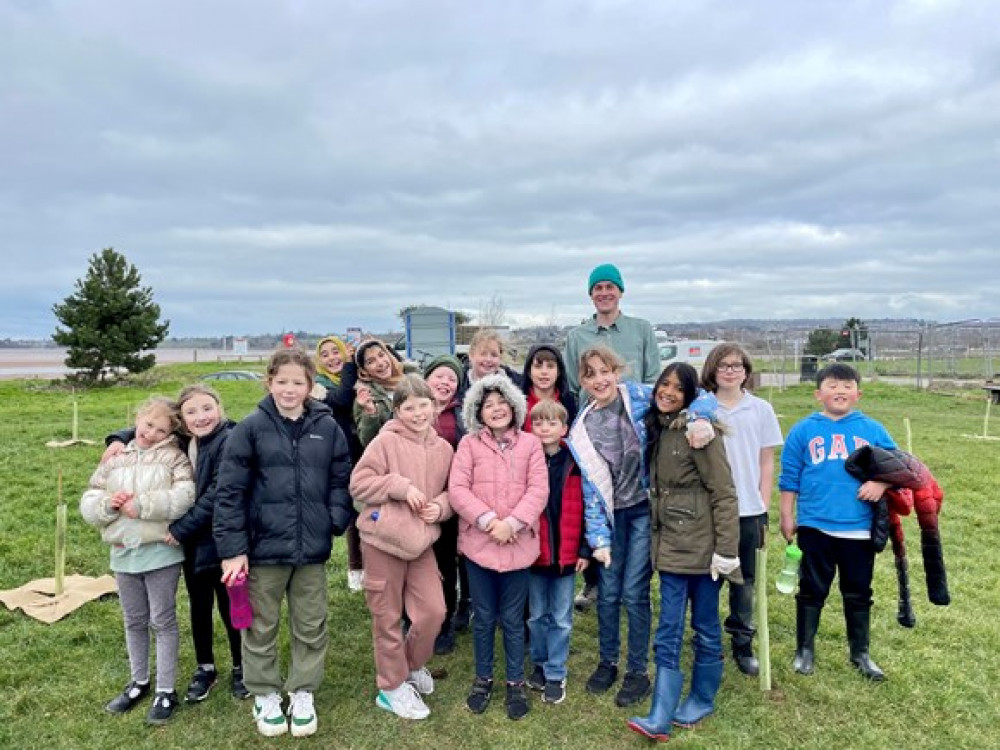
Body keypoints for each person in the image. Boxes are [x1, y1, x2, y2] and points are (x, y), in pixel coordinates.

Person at [214, 347, 354, 737]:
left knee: (310, 623)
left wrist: (334, 520)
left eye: (298, 382)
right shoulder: (250, 429)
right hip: (262, 550)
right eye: (282, 381)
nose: (289, 389)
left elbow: (341, 479)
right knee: (260, 624)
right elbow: (229, 494)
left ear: (310, 385)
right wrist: (232, 549)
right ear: (269, 382)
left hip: (310, 549)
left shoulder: (327, 428)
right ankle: (265, 692)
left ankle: (303, 689)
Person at [567, 346, 716, 709]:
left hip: (644, 511)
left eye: (605, 371)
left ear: (617, 371)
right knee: (608, 591)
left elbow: (704, 397)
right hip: (613, 515)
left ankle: (637, 671)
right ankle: (608, 661)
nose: (599, 379)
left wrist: (699, 418)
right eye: (590, 374)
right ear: (582, 380)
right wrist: (598, 537)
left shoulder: (638, 395)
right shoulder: (582, 427)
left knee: (634, 592)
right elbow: (590, 488)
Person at [101, 385, 249, 702]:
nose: (201, 416)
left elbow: (216, 492)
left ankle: (241, 666)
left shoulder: (231, 439)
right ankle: (205, 667)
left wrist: (182, 528)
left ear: (220, 408)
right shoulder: (183, 441)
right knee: (198, 605)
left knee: (228, 603)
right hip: (194, 544)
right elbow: (151, 426)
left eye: (207, 408)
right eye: (191, 412)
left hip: (223, 537)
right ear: (182, 421)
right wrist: (117, 438)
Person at [627, 364, 741, 742]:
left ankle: (702, 697)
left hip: (704, 549)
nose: (668, 392)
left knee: (706, 625)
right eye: (664, 384)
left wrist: (726, 550)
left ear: (690, 394)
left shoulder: (699, 434)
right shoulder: (659, 427)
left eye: (678, 388)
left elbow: (723, 493)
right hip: (672, 547)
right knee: (669, 627)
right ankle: (661, 711)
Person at [80, 396, 195, 726]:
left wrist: (142, 506)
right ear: (137, 420)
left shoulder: (176, 459)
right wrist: (107, 505)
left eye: (161, 430)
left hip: (160, 551)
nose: (151, 433)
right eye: (147, 425)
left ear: (171, 432)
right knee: (133, 620)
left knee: (162, 620)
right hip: (122, 552)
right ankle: (139, 681)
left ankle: (165, 689)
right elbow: (90, 496)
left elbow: (184, 497)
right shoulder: (116, 458)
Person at [779, 363, 895, 682]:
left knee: (857, 591)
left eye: (847, 386)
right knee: (811, 588)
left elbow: (901, 468)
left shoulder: (872, 430)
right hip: (815, 525)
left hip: (858, 527)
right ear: (819, 393)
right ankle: (804, 650)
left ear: (858, 393)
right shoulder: (803, 430)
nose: (839, 391)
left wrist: (881, 484)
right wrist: (787, 515)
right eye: (832, 385)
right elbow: (789, 476)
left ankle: (860, 653)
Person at [349, 374, 454, 720]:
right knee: (387, 616)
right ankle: (391, 687)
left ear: (435, 407)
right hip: (382, 542)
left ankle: (410, 665)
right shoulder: (384, 442)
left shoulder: (444, 449)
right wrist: (397, 485)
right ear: (397, 411)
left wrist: (441, 506)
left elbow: (452, 492)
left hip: (421, 543)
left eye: (424, 405)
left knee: (433, 612)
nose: (418, 413)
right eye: (409, 407)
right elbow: (359, 484)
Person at [449, 372, 548, 720]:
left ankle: (515, 682)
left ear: (514, 406)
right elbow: (458, 489)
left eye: (501, 402)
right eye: (487, 404)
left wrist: (513, 524)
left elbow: (538, 490)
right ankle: (483, 677)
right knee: (484, 617)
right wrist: (489, 521)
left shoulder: (531, 445)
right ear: (478, 412)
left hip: (518, 545)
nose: (496, 409)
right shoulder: (469, 445)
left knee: (513, 618)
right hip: (480, 545)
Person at [563, 263, 659, 611]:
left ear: (620, 291)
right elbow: (574, 388)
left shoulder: (641, 330)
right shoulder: (577, 337)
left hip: (633, 430)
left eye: (610, 287)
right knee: (597, 501)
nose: (604, 292)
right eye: (598, 287)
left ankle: (637, 582)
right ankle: (596, 582)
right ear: (590, 294)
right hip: (596, 433)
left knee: (635, 505)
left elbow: (653, 380)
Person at [701, 344, 783, 676]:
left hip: (749, 509)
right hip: (710, 510)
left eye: (737, 365)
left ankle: (741, 642)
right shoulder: (702, 408)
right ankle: (705, 638)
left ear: (746, 370)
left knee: (744, 581)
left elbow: (766, 460)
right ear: (712, 370)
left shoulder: (760, 409)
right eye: (723, 365)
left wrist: (763, 502)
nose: (731, 371)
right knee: (707, 577)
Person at [525, 399, 588, 706]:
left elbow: (589, 507)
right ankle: (538, 662)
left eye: (552, 423)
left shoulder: (575, 462)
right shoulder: (527, 461)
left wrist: (585, 549)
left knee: (561, 617)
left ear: (564, 428)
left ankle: (555, 671)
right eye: (538, 423)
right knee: (537, 616)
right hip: (535, 555)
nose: (544, 429)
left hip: (566, 554)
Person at [422, 354, 469, 655]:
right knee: (413, 563)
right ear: (427, 379)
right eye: (440, 375)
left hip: (449, 501)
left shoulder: (462, 416)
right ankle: (412, 619)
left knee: (444, 565)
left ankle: (444, 624)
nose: (445, 382)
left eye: (452, 379)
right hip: (414, 500)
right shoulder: (409, 410)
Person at [313, 335, 365, 593]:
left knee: (371, 511)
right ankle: (355, 569)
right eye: (326, 354)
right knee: (351, 513)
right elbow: (343, 399)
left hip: (365, 452)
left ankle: (374, 564)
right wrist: (348, 364)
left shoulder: (358, 375)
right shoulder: (318, 387)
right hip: (340, 457)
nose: (333, 357)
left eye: (337, 351)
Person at [353, 338, 410, 448]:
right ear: (364, 371)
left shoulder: (413, 382)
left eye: (381, 355)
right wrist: (370, 413)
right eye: (371, 361)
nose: (380, 363)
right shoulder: (365, 397)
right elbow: (367, 442)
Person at [519, 343, 579, 430]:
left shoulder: (568, 402)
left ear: (559, 371)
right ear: (529, 371)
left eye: (550, 366)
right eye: (538, 366)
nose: (544, 372)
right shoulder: (518, 403)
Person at [456, 328, 523, 403]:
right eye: (483, 354)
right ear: (471, 355)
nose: (488, 359)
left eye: (494, 355)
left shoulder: (517, 383)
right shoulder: (457, 384)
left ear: (500, 357)